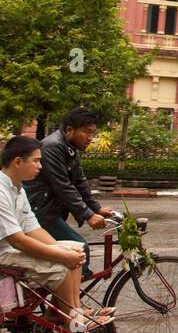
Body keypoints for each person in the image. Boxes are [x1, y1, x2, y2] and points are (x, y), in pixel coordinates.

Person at [0, 135, 111, 328]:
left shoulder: (17, 190)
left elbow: (33, 229)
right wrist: (60, 255)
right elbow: (18, 240)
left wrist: (64, 251)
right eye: (36, 161)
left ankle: (69, 311)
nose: (40, 166)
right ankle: (73, 319)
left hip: (3, 253)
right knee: (60, 265)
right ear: (18, 162)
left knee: (76, 249)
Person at [24, 107, 116, 278]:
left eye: (93, 133)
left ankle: (66, 296)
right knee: (79, 248)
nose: (90, 138)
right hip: (39, 212)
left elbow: (79, 181)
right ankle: (69, 300)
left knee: (75, 252)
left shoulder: (69, 148)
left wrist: (96, 208)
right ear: (69, 130)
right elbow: (63, 186)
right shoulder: (53, 147)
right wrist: (88, 215)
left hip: (48, 210)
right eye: (86, 132)